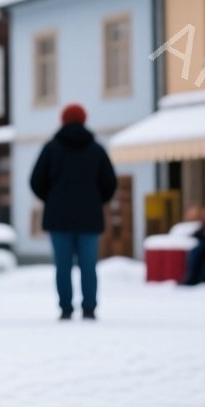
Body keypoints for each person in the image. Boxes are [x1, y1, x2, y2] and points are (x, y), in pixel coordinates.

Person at [30, 103, 117, 320]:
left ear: (63, 121)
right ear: (84, 120)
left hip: (58, 218)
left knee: (63, 266)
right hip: (89, 218)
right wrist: (96, 201)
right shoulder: (96, 150)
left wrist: (51, 199)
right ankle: (89, 308)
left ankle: (66, 308)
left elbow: (35, 181)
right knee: (89, 266)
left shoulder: (51, 148)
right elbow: (110, 183)